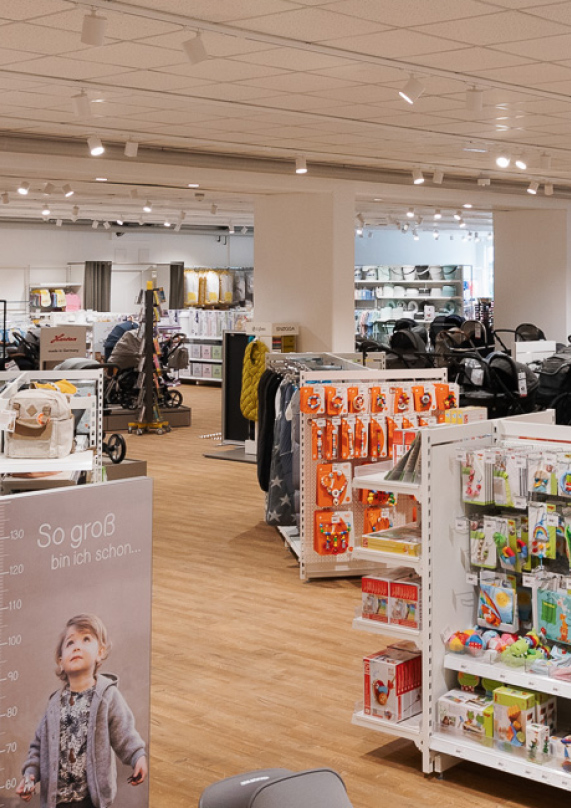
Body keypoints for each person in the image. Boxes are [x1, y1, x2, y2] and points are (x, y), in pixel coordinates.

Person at [17, 614, 147, 808]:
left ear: (100, 653)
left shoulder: (107, 696)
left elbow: (125, 733)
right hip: (57, 801)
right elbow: (38, 747)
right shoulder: (53, 705)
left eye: (86, 639)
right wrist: (29, 776)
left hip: (90, 800)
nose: (77, 646)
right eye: (70, 643)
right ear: (61, 661)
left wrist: (138, 756)